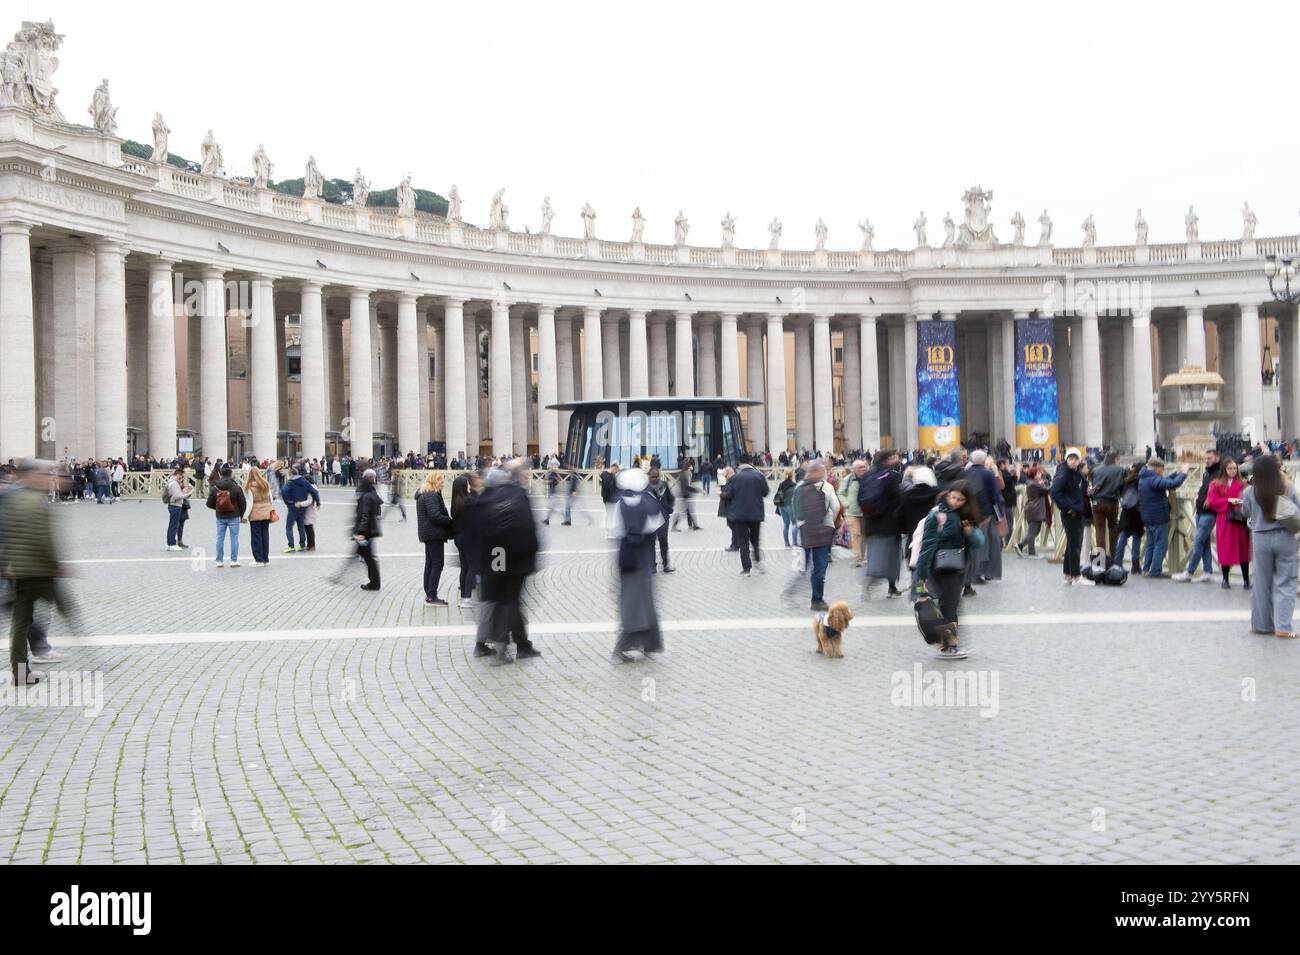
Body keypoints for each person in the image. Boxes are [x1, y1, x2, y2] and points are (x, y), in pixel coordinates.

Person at [0, 460, 79, 684]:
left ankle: (20, 671)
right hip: (40, 571)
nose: (49, 478)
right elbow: (44, 539)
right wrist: (57, 565)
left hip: (19, 571)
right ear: (32, 476)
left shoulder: (12, 499)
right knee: (68, 611)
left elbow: (6, 535)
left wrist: (5, 565)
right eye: (45, 474)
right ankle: (92, 655)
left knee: (21, 622)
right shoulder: (37, 501)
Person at [473, 462, 542, 664]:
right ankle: (508, 646)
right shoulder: (517, 496)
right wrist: (530, 554)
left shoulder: (485, 499)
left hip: (495, 558)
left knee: (505, 601)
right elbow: (527, 528)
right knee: (508, 602)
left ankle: (520, 644)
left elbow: (478, 532)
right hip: (514, 559)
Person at [912, 479, 985, 657]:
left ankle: (947, 644)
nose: (955, 502)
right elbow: (927, 547)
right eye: (953, 497)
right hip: (940, 568)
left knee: (950, 605)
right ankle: (948, 645)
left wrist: (970, 533)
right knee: (949, 606)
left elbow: (978, 543)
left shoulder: (965, 515)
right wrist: (920, 576)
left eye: (960, 499)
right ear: (948, 494)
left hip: (958, 567)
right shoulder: (937, 515)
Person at [611, 466, 666, 663]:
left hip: (626, 557)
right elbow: (657, 525)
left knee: (631, 602)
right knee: (645, 601)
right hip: (644, 556)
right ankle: (643, 643)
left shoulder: (618, 504)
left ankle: (645, 642)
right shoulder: (648, 502)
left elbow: (614, 530)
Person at [1241, 454, 1299, 638]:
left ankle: (1261, 625)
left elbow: (1245, 511)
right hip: (1284, 537)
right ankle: (1283, 627)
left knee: (1261, 583)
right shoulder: (1287, 488)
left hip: (1260, 538)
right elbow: (1297, 513)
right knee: (1286, 581)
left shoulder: (1250, 491)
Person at [795, 459, 842, 611]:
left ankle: (802, 587)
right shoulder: (827, 487)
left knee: (806, 564)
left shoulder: (799, 487)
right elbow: (835, 507)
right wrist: (830, 522)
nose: (825, 473)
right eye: (823, 471)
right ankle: (817, 599)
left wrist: (800, 524)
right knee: (820, 567)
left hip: (805, 531)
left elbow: (795, 511)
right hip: (822, 532)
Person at [1172, 449, 1221, 583]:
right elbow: (1203, 489)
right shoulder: (1208, 473)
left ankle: (1189, 571)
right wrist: (1197, 497)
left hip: (1209, 513)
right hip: (1200, 511)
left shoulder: (1220, 474)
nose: (1206, 461)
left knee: (1198, 541)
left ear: (1217, 458)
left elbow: (1223, 491)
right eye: (1205, 458)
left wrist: (1211, 499)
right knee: (1204, 543)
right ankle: (1207, 572)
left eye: (1209, 458)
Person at [860, 449, 903, 598]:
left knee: (875, 555)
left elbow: (860, 499)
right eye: (893, 458)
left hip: (871, 523)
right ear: (886, 460)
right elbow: (898, 500)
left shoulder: (866, 476)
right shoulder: (891, 476)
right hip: (889, 524)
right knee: (892, 558)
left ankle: (875, 582)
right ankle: (890, 587)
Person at [1137, 457, 1187, 578]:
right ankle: (1155, 571)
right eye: (1162, 469)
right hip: (1158, 516)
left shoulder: (1145, 477)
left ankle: (1146, 569)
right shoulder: (1152, 479)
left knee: (1150, 544)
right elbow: (1172, 484)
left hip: (1148, 516)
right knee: (1161, 544)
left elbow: (1164, 481)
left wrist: (1176, 473)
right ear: (1157, 469)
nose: (1163, 471)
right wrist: (1184, 473)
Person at [1050, 447, 1093, 586]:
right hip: (1071, 513)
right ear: (1066, 459)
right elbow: (1055, 492)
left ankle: (1068, 574)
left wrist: (1088, 492)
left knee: (1071, 544)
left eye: (1075, 459)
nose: (1073, 461)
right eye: (1070, 458)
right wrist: (1067, 508)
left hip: (1077, 511)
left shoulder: (1077, 474)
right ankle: (1075, 576)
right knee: (1075, 545)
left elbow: (1080, 489)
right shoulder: (1064, 473)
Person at [1205, 457, 1250, 589]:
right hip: (1224, 519)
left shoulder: (1243, 483)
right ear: (1224, 469)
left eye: (1235, 468)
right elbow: (1212, 501)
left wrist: (1237, 502)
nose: (1233, 471)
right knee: (1225, 550)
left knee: (1243, 550)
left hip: (1239, 519)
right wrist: (1229, 500)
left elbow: (1247, 500)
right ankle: (1225, 579)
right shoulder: (1216, 484)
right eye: (1230, 468)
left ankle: (1246, 580)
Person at [722, 453, 769, 576]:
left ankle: (746, 569)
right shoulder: (759, 476)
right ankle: (758, 562)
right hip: (755, 514)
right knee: (755, 541)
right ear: (751, 462)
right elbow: (766, 492)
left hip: (739, 515)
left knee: (743, 542)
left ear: (739, 463)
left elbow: (729, 495)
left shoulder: (735, 478)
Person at [415, 471, 453, 605]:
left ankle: (429, 594)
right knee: (437, 564)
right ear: (435, 481)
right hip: (434, 534)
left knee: (430, 564)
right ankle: (431, 595)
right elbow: (435, 515)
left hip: (429, 534)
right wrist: (450, 521)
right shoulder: (431, 495)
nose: (443, 483)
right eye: (441, 480)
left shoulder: (425, 494)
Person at [206, 466, 247, 568]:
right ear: (230, 474)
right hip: (234, 515)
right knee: (234, 538)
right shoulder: (236, 487)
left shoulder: (215, 488)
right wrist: (241, 515)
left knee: (220, 538)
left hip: (220, 516)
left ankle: (219, 561)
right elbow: (243, 503)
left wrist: (218, 508)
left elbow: (208, 503)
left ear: (221, 474)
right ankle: (233, 561)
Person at [350, 468, 383, 591]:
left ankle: (374, 583)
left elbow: (364, 515)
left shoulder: (366, 495)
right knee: (367, 556)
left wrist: (360, 532)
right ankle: (374, 582)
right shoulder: (372, 492)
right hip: (370, 530)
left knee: (369, 557)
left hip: (366, 531)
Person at [1088, 450, 1125, 558]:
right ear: (1116, 459)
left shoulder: (1095, 469)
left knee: (1099, 531)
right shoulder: (1120, 470)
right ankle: (1113, 556)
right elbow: (1124, 485)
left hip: (1096, 502)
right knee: (1113, 527)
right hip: (1112, 502)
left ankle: (1100, 560)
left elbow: (1090, 485)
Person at [1111, 463, 1144, 574]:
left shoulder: (1126, 480)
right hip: (1137, 512)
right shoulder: (1141, 480)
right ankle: (1135, 564)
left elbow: (1119, 492)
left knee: (1123, 537)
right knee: (1137, 538)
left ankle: (1117, 561)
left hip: (1126, 512)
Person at [281, 464, 321, 553]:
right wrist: (318, 502)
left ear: (291, 474)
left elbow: (283, 491)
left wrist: (288, 501)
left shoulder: (290, 482)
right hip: (302, 509)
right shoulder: (305, 482)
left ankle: (291, 546)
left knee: (289, 527)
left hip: (293, 507)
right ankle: (302, 545)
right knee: (301, 527)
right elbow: (314, 492)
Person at [1016, 467, 1050, 559]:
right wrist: (1044, 484)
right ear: (1034, 475)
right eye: (1038, 474)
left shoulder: (1032, 483)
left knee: (1035, 531)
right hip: (1035, 510)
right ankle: (1031, 552)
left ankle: (1020, 545)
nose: (1041, 475)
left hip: (1034, 509)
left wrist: (1042, 483)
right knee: (1032, 532)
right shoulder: (1033, 484)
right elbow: (1046, 490)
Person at [838, 458, 867, 566]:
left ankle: (862, 556)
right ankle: (857, 558)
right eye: (860, 467)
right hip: (851, 513)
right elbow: (840, 493)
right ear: (854, 469)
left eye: (864, 467)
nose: (863, 469)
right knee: (856, 534)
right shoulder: (848, 479)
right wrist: (847, 504)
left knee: (864, 535)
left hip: (866, 512)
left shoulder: (868, 478)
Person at [646, 466, 675, 573]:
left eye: (656, 476)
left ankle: (666, 564)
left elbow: (671, 498)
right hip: (650, 518)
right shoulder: (645, 487)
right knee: (650, 543)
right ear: (649, 476)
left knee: (663, 541)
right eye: (652, 477)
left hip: (663, 518)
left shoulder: (664, 485)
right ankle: (652, 566)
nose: (654, 478)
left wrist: (668, 509)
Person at [244, 467, 274, 567]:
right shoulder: (265, 484)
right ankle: (266, 559)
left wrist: (245, 515)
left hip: (255, 513)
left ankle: (259, 560)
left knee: (256, 537)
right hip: (266, 511)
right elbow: (271, 499)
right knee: (265, 535)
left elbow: (250, 503)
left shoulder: (250, 487)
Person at [164, 466, 190, 551]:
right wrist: (187, 494)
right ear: (178, 474)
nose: (182, 478)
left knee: (172, 525)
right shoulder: (174, 484)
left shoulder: (171, 482)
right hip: (175, 505)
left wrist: (182, 492)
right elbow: (177, 496)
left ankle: (170, 543)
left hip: (173, 505)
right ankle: (172, 544)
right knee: (174, 525)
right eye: (181, 476)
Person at [775, 468, 798, 547]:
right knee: (794, 523)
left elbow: (778, 495)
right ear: (792, 475)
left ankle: (786, 543)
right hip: (790, 506)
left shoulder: (781, 484)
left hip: (782, 506)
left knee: (786, 524)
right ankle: (794, 542)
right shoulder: (794, 485)